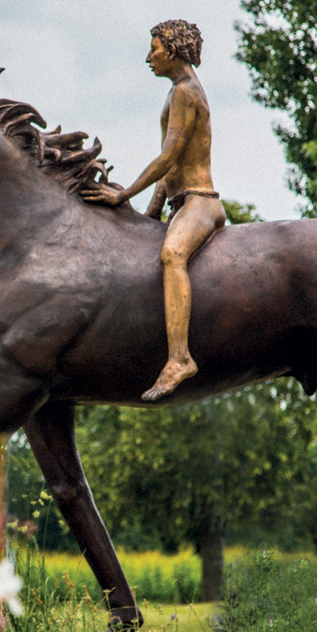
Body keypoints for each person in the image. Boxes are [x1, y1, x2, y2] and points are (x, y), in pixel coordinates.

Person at [80, 20, 225, 401]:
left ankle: (179, 358)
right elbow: (172, 165)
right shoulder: (177, 91)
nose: (149, 57)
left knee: (172, 254)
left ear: (172, 51)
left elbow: (169, 157)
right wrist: (152, 210)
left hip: (200, 201)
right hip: (181, 201)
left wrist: (122, 194)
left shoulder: (185, 92)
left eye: (154, 48)